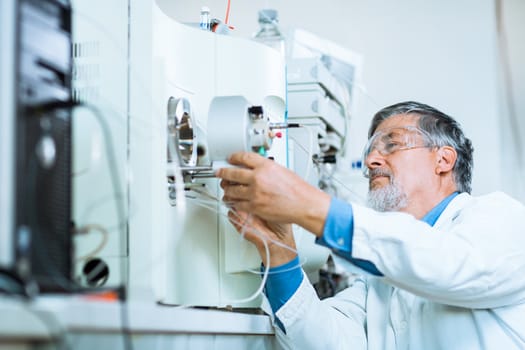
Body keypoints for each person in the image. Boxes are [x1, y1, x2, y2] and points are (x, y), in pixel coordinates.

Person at [215, 101, 525, 350]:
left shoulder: (502, 218)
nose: (371, 161)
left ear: (443, 160)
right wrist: (278, 251)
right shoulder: (376, 281)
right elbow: (325, 341)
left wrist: (306, 203)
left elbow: (445, 263)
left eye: (392, 144)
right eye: (370, 151)